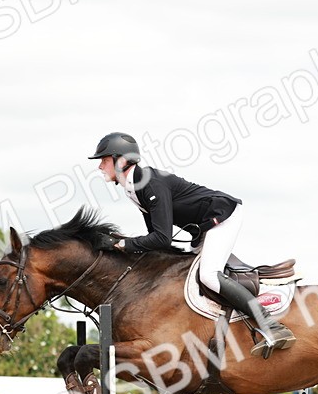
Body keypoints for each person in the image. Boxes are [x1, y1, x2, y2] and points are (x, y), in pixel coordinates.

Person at [88, 131, 296, 356]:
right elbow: (156, 237)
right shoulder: (133, 187)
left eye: (104, 160)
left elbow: (162, 238)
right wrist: (122, 245)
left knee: (208, 275)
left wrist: (121, 245)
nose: (100, 166)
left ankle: (272, 326)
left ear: (120, 161)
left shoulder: (149, 183)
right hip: (203, 227)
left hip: (222, 215)